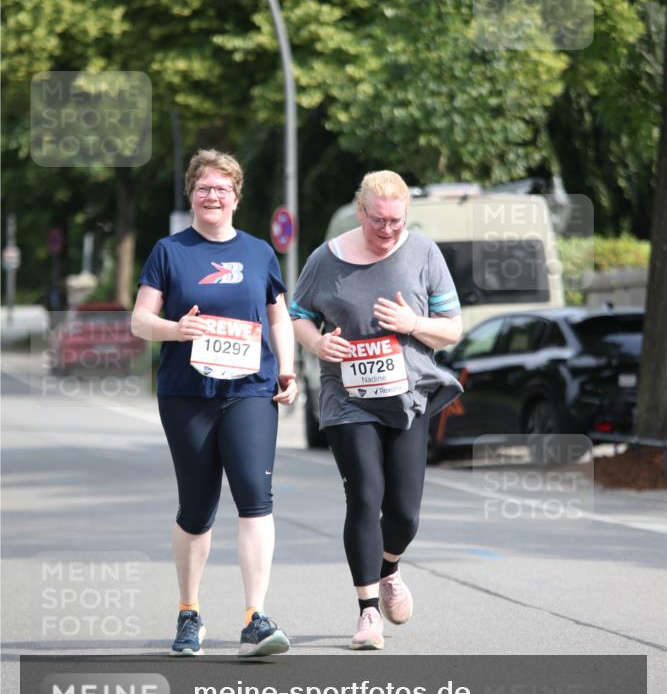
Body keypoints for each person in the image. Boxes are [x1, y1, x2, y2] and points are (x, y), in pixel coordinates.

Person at [131, 149, 297, 657]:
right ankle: (189, 611)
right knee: (197, 509)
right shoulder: (169, 251)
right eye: (203, 187)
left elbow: (278, 317)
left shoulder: (258, 252)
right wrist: (176, 329)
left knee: (255, 497)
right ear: (192, 194)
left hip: (249, 390)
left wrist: (287, 369)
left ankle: (255, 618)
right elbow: (140, 321)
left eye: (221, 188)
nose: (212, 195)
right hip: (188, 394)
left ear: (236, 196)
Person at [290, 170, 462, 650]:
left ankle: (390, 569)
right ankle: (367, 612)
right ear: (361, 211)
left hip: (408, 396)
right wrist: (318, 343)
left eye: (397, 221)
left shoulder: (424, 252)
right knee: (365, 495)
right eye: (379, 220)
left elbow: (453, 328)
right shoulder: (327, 259)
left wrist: (413, 322)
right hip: (348, 397)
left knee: (404, 512)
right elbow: (298, 315)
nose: (388, 230)